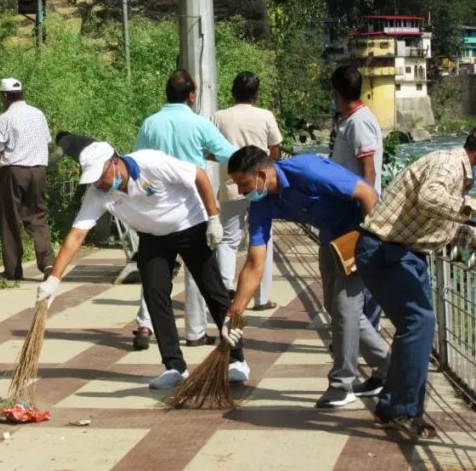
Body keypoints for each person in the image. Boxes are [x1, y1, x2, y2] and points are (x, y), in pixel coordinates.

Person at [36, 142, 248, 390]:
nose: (98, 184)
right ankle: (174, 366)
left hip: (190, 226)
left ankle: (237, 360)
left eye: (100, 177)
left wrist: (213, 218)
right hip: (152, 238)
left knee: (212, 290)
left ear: (115, 163)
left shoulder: (151, 162)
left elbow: (198, 175)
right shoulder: (98, 194)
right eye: (92, 180)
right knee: (155, 295)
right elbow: (76, 235)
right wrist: (54, 280)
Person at [224, 146, 389, 408]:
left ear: (263, 173)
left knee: (346, 306)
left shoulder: (308, 170)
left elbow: (366, 193)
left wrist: (371, 245)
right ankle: (388, 368)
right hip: (330, 240)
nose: (242, 191)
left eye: (244, 183)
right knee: (335, 308)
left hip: (359, 235)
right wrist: (235, 314)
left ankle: (341, 386)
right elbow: (255, 262)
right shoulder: (261, 205)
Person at [355, 130, 476, 439]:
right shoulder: (450, 165)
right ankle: (405, 410)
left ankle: (391, 405)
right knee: (419, 321)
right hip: (387, 252)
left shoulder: (455, 169)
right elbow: (431, 198)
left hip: (402, 253)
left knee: (418, 326)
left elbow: (440, 228)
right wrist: (472, 207)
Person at [131, 69, 235, 350]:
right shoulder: (199, 124)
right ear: (192, 95)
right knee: (199, 274)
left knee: (155, 274)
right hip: (192, 209)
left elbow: (136, 161)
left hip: (158, 209)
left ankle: (145, 323)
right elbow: (228, 155)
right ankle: (195, 331)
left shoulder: (151, 123)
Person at [213, 71, 282, 311]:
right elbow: (275, 150)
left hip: (231, 184)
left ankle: (225, 290)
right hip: (260, 186)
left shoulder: (219, 117)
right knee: (262, 237)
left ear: (233, 92)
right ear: (257, 94)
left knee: (228, 239)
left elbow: (210, 149)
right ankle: (261, 298)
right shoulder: (265, 116)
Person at [329, 65, 384, 330]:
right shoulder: (350, 121)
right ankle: (354, 333)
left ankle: (364, 333)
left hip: (357, 212)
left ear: (337, 93)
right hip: (350, 209)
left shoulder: (359, 122)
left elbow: (369, 170)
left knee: (359, 276)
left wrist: (365, 214)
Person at [0, 77, 54, 281]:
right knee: (37, 217)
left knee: (9, 220)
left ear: (5, 96)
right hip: (39, 170)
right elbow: (46, 141)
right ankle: (48, 263)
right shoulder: (38, 115)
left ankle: (13, 270)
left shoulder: (3, 120)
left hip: (14, 172)